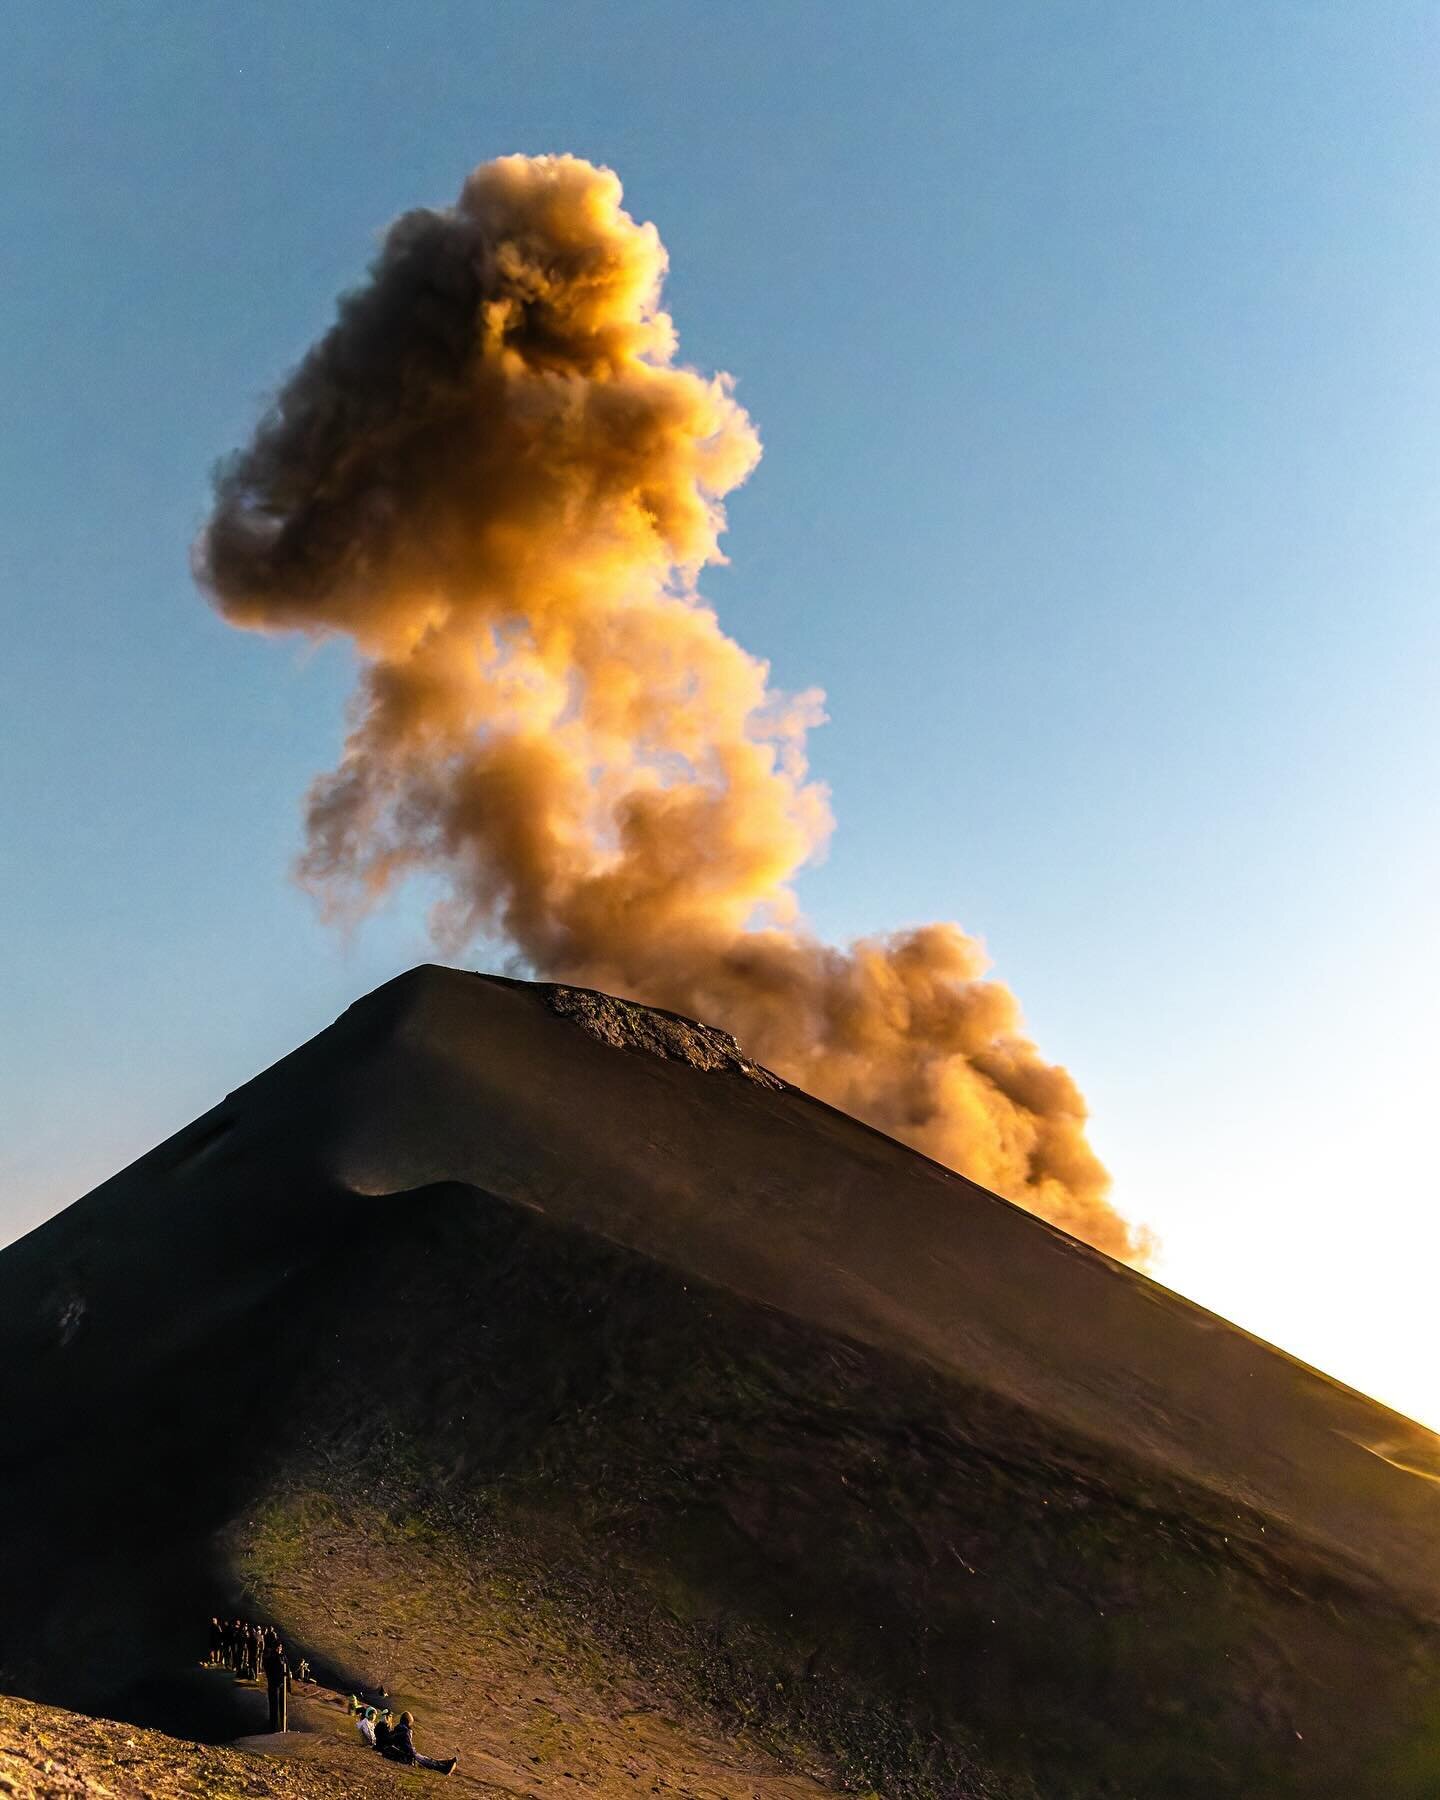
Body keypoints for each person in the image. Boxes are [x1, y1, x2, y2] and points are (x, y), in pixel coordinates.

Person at [384, 1711, 457, 1775]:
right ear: (409, 1722)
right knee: (426, 1761)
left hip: (403, 1754)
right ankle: (444, 1768)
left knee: (426, 1759)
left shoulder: (397, 1728)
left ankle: (444, 1763)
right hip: (407, 1756)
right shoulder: (405, 1732)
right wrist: (414, 1754)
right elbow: (409, 1749)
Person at [262, 1636, 290, 1733]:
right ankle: (273, 1728)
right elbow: (270, 1671)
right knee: (274, 1707)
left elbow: (287, 1670)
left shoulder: (283, 1657)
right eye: (278, 1647)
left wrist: (288, 1685)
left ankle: (283, 1726)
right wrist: (278, 1677)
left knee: (283, 1707)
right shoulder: (270, 1658)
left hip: (283, 1685)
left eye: (280, 1647)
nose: (279, 1649)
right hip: (274, 1685)